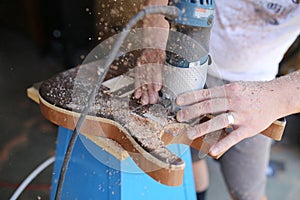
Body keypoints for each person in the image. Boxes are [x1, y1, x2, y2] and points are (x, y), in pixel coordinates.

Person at [134, 0, 300, 200]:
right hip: (186, 68)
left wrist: (278, 97)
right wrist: (154, 41)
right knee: (188, 155)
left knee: (247, 192)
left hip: (259, 87)